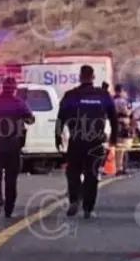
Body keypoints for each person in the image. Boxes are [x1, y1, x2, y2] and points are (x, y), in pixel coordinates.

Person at [56, 65, 118, 218]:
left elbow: (60, 118)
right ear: (93, 77)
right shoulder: (102, 95)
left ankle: (74, 199)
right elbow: (113, 118)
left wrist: (57, 136)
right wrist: (114, 137)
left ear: (80, 77)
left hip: (76, 140)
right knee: (92, 175)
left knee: (73, 172)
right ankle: (88, 208)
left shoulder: (71, 95)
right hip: (96, 142)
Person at [0, 76, 35, 218]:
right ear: (15, 89)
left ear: (3, 87)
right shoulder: (19, 103)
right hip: (13, 146)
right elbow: (30, 119)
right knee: (11, 179)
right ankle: (9, 210)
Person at [112, 84, 132, 175]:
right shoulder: (122, 101)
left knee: (117, 148)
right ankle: (120, 168)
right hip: (123, 124)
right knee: (122, 148)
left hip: (114, 124)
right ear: (121, 91)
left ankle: (118, 167)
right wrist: (130, 110)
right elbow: (126, 112)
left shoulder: (111, 100)